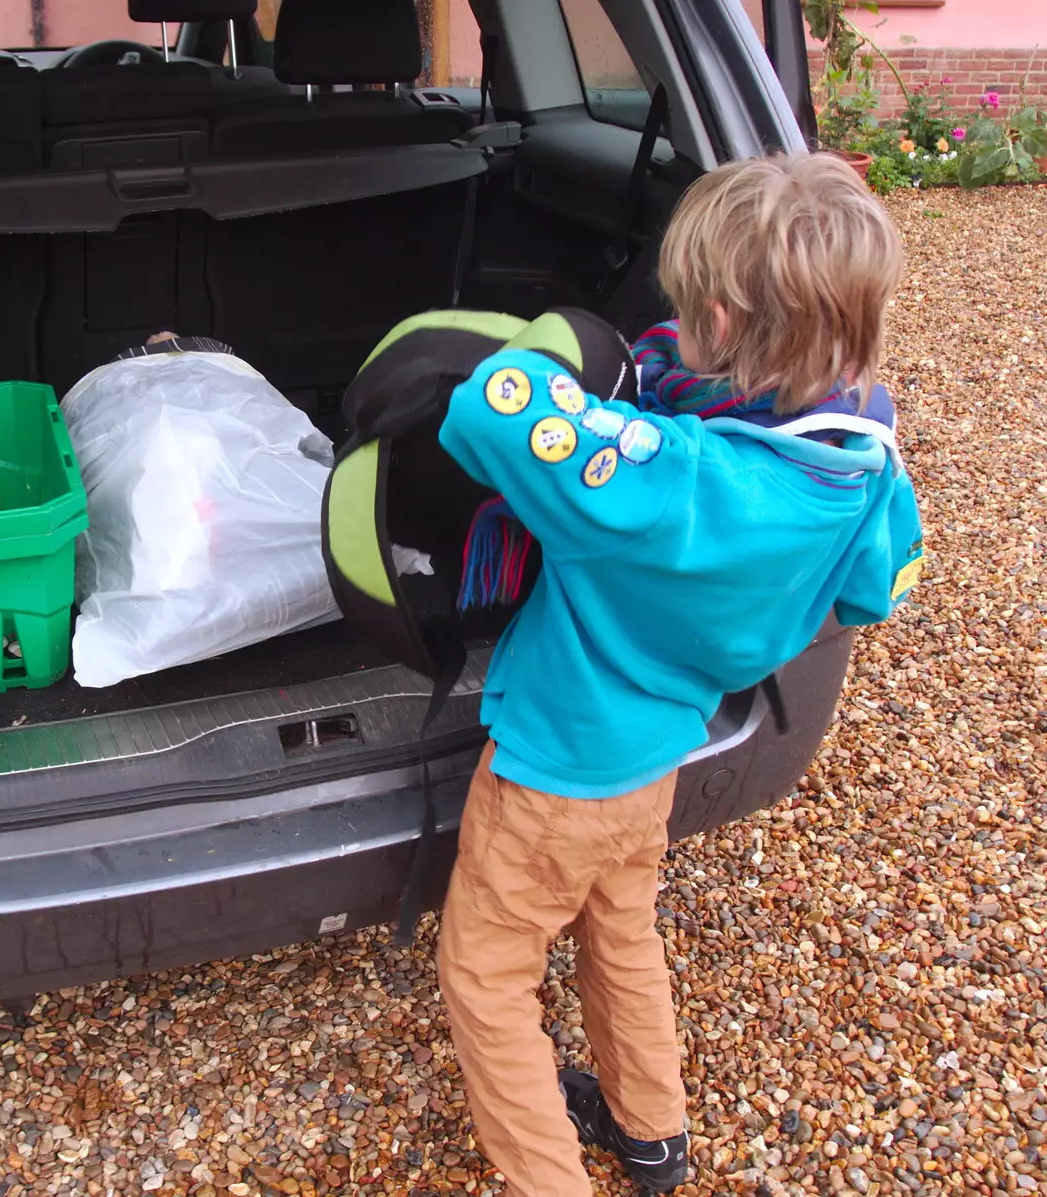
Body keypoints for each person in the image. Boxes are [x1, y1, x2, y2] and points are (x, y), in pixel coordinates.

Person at [432, 152, 923, 1196]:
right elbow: (869, 594)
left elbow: (489, 403)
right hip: (663, 743)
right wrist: (727, 622)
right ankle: (650, 1131)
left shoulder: (668, 478)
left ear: (712, 314)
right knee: (620, 932)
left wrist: (611, 390)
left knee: (485, 976)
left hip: (559, 766)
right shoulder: (860, 452)